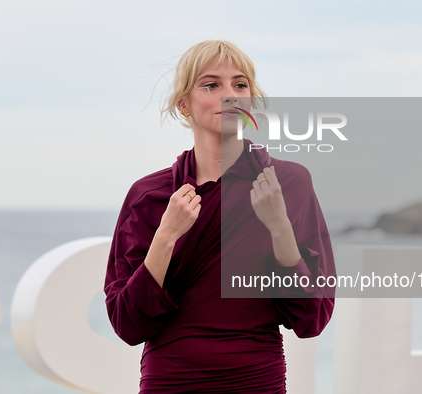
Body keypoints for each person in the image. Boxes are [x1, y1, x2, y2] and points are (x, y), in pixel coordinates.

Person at [104, 39, 335, 393]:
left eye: (240, 85)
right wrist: (167, 235)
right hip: (170, 382)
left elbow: (311, 318)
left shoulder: (288, 183)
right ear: (184, 103)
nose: (230, 95)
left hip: (257, 380)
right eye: (212, 85)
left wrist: (279, 228)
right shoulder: (148, 196)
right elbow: (127, 324)